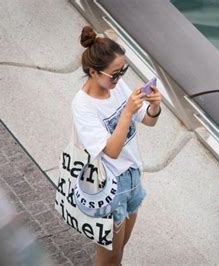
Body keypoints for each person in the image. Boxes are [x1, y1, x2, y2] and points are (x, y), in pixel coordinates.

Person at [72, 26, 162, 265]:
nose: (119, 78)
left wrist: (154, 106)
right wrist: (126, 113)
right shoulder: (83, 106)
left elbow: (148, 120)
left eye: (123, 71)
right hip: (108, 187)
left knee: (119, 250)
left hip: (132, 176)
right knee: (109, 258)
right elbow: (110, 151)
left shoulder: (116, 86)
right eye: (114, 74)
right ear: (93, 72)